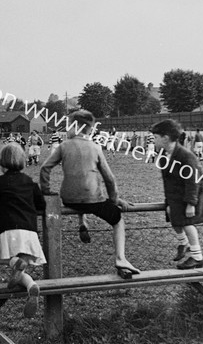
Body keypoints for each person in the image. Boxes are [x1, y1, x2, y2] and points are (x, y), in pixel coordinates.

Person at [40, 110, 140, 279]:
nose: (66, 130)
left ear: (77, 126)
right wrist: (114, 200)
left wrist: (46, 191)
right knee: (117, 220)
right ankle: (121, 258)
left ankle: (83, 221)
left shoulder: (64, 146)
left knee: (82, 195)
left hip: (69, 199)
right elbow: (109, 178)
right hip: (92, 200)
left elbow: (45, 168)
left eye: (68, 125)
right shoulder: (95, 147)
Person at [0, 143, 46, 318]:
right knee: (19, 271)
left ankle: (13, 262)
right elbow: (42, 205)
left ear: (1, 162)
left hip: (8, 230)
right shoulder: (30, 182)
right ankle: (32, 286)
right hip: (29, 232)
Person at [151, 119, 203, 270]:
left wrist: (190, 204)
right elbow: (169, 181)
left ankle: (197, 257)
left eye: (155, 137)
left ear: (166, 138)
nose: (153, 140)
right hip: (177, 194)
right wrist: (169, 201)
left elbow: (193, 181)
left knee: (187, 222)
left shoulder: (185, 156)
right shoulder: (164, 154)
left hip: (193, 193)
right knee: (172, 214)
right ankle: (183, 243)